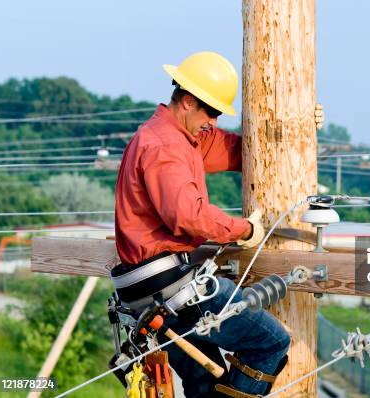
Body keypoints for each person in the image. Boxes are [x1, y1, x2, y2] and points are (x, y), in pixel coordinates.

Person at [113, 52, 291, 397]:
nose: (214, 121)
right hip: (170, 287)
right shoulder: (165, 146)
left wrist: (296, 126)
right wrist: (245, 230)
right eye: (210, 112)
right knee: (270, 342)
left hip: (150, 292)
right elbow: (189, 216)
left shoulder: (179, 138)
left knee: (204, 385)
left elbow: (245, 151)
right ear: (188, 102)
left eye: (218, 114)